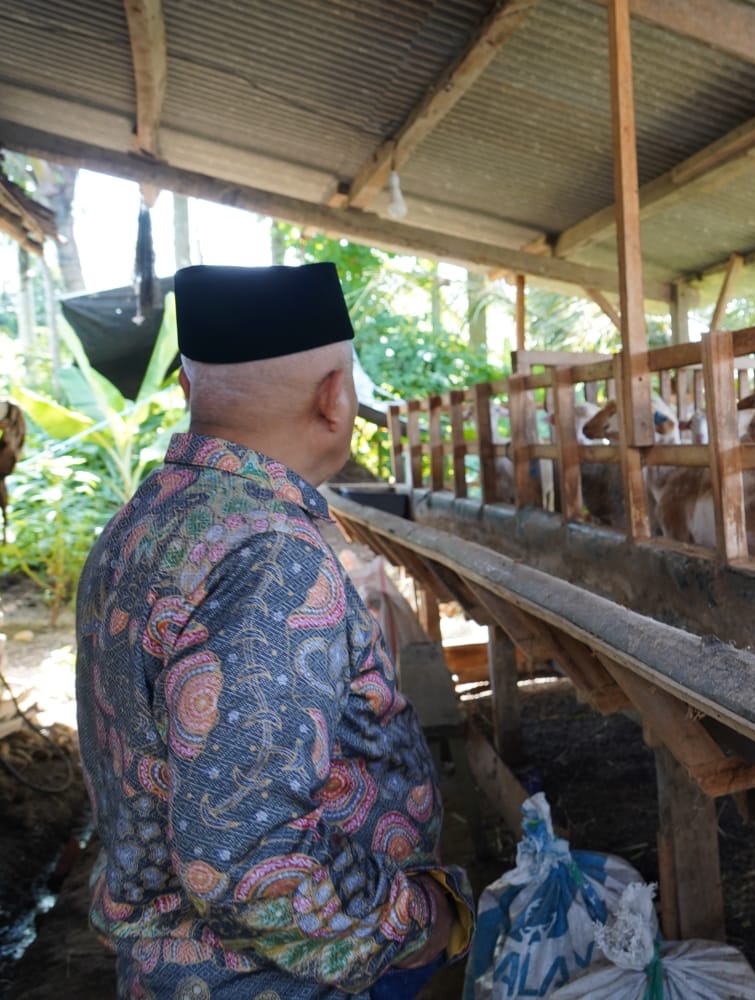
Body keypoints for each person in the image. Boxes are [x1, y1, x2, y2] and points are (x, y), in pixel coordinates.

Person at [74, 262, 473, 999]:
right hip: (280, 981)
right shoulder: (271, 556)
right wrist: (421, 922)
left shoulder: (140, 523)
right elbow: (248, 860)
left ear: (187, 388)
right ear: (334, 397)